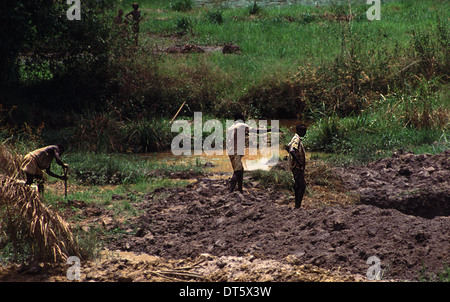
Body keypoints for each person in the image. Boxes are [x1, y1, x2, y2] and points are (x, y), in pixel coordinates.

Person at [226, 112, 271, 193]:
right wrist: (270, 130)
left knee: (240, 170)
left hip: (230, 151)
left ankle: (240, 189)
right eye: (243, 117)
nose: (244, 119)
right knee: (237, 172)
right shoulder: (241, 125)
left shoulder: (231, 127)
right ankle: (230, 191)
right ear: (241, 118)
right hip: (236, 151)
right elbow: (256, 131)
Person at [287, 124, 307, 209]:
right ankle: (297, 206)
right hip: (297, 166)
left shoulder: (295, 138)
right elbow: (292, 150)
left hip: (295, 166)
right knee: (302, 186)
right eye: (304, 131)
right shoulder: (297, 139)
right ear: (299, 131)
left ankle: (297, 205)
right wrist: (299, 162)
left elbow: (288, 147)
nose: (305, 133)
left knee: (298, 185)